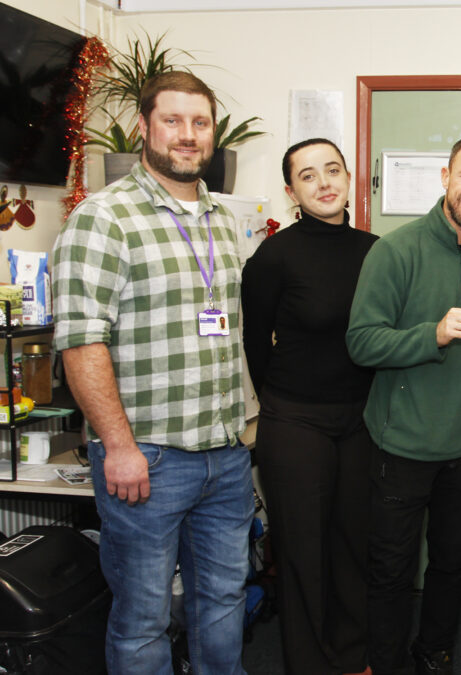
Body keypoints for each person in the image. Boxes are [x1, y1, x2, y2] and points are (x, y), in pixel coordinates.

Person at [52, 72, 252, 674]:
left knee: (224, 601)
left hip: (225, 456)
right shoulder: (103, 217)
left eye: (200, 122)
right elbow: (82, 342)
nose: (188, 135)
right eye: (173, 120)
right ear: (144, 127)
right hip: (148, 460)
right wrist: (118, 446)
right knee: (144, 619)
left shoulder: (220, 218)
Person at [346, 132, 461, 675]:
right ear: (445, 177)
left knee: (450, 565)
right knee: (391, 571)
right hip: (401, 445)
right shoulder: (396, 249)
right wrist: (433, 335)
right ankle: (386, 664)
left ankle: (434, 655)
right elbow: (361, 342)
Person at [241, 138, 378, 675]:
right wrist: (281, 404)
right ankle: (309, 664)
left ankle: (352, 655)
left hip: (361, 420)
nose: (324, 183)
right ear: (290, 191)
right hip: (296, 421)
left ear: (349, 177)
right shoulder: (274, 256)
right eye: (308, 175)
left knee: (353, 544)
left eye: (333, 170)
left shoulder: (376, 250)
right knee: (302, 552)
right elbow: (255, 344)